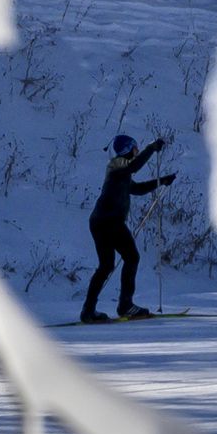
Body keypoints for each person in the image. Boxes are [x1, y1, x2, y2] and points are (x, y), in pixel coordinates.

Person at [80, 134, 177, 323]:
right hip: (110, 222)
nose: (137, 151)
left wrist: (162, 181)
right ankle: (125, 305)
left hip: (100, 222)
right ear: (127, 149)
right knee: (132, 257)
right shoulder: (118, 165)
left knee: (106, 266)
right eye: (135, 148)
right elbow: (134, 166)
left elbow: (137, 189)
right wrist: (151, 147)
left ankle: (88, 311)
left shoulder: (121, 171)